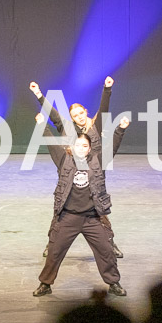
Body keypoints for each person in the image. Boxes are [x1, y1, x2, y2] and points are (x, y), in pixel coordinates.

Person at [32, 111, 129, 297]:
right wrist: (42, 124)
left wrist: (120, 129)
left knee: (106, 251)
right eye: (78, 145)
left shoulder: (98, 161)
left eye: (85, 145)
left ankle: (113, 282)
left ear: (90, 148)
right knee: (54, 251)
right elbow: (50, 142)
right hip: (68, 217)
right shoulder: (63, 160)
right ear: (72, 146)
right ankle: (45, 283)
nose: (81, 148)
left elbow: (113, 147)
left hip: (92, 218)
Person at [31, 76, 124, 259]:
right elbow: (53, 115)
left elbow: (104, 109)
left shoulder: (96, 126)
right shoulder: (67, 128)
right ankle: (51, 244)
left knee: (99, 210)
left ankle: (110, 244)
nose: (79, 117)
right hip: (70, 174)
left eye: (81, 113)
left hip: (94, 174)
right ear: (72, 118)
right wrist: (39, 94)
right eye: (75, 116)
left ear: (85, 112)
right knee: (61, 209)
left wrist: (107, 89)